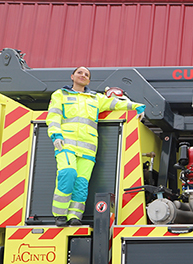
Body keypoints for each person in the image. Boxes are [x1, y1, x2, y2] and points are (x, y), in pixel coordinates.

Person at [46, 66, 144, 226]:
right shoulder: (60, 94)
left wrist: (136, 106)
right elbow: (53, 116)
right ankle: (60, 215)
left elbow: (116, 103)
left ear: (89, 81)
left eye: (86, 74)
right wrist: (55, 134)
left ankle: (74, 217)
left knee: (81, 184)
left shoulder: (96, 98)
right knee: (68, 174)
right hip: (65, 145)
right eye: (79, 72)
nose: (83, 75)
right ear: (72, 76)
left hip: (88, 149)